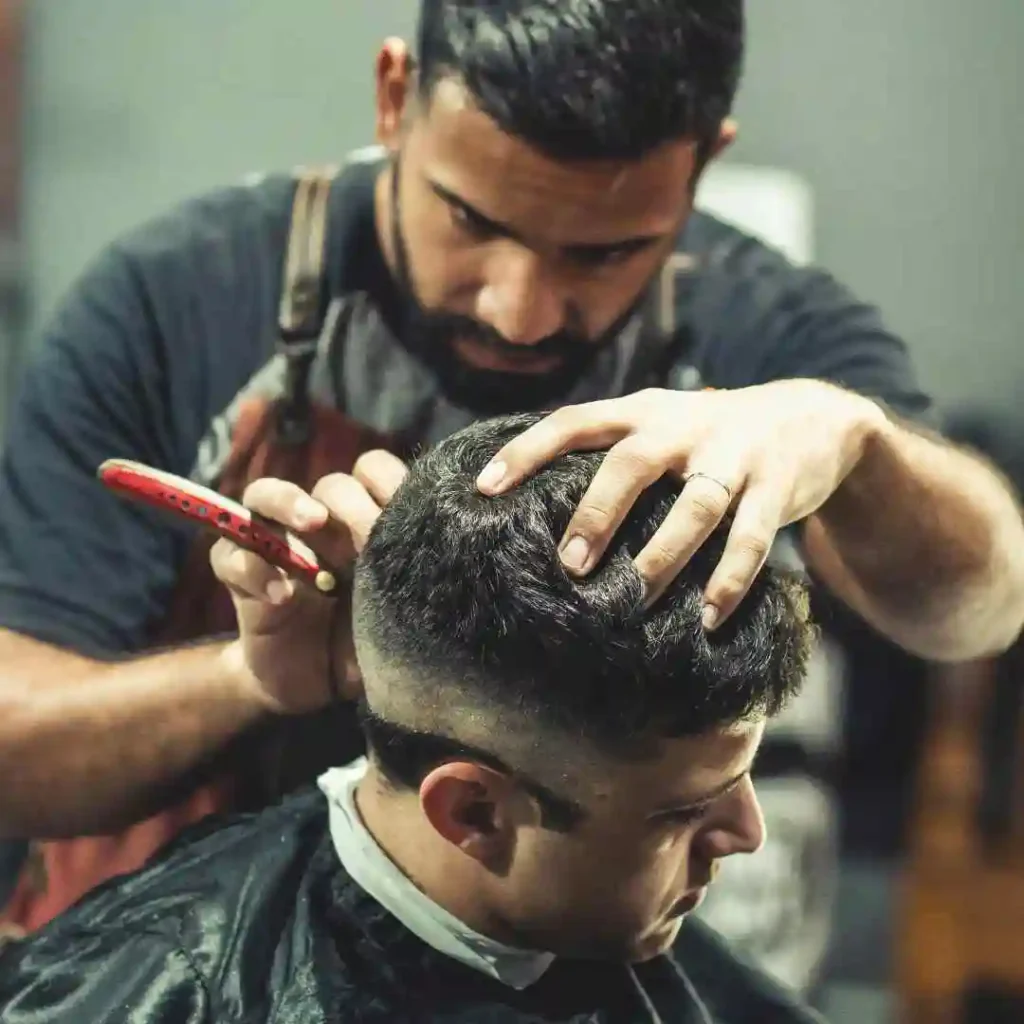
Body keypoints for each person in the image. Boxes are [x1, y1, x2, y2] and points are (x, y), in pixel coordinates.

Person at [2, 0, 1024, 936]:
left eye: (603, 252)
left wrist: (853, 441)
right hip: (211, 952)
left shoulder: (762, 325)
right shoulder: (178, 302)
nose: (518, 310)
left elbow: (980, 611)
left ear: (703, 161)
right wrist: (250, 678)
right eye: (473, 221)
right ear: (395, 95)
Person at [0, 415, 824, 1023]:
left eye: (740, 778)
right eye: (682, 811)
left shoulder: (662, 956)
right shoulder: (158, 988)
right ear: (472, 812)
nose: (746, 834)